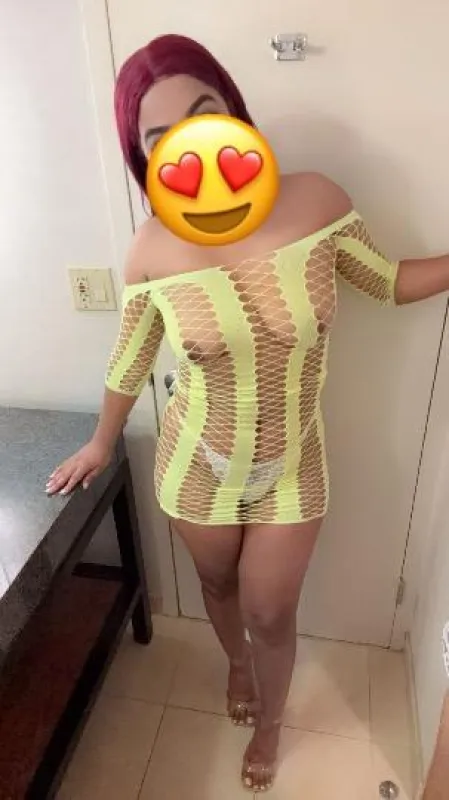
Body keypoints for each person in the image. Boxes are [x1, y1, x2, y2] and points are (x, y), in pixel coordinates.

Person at [46, 33, 449, 792]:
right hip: (193, 464)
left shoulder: (317, 201)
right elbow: (131, 358)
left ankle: (270, 724)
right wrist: (101, 442)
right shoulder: (150, 248)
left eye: (205, 112)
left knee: (270, 611)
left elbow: (388, 281)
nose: (191, 142)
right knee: (220, 590)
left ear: (233, 108)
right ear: (144, 157)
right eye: (161, 137)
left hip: (294, 465)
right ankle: (235, 664)